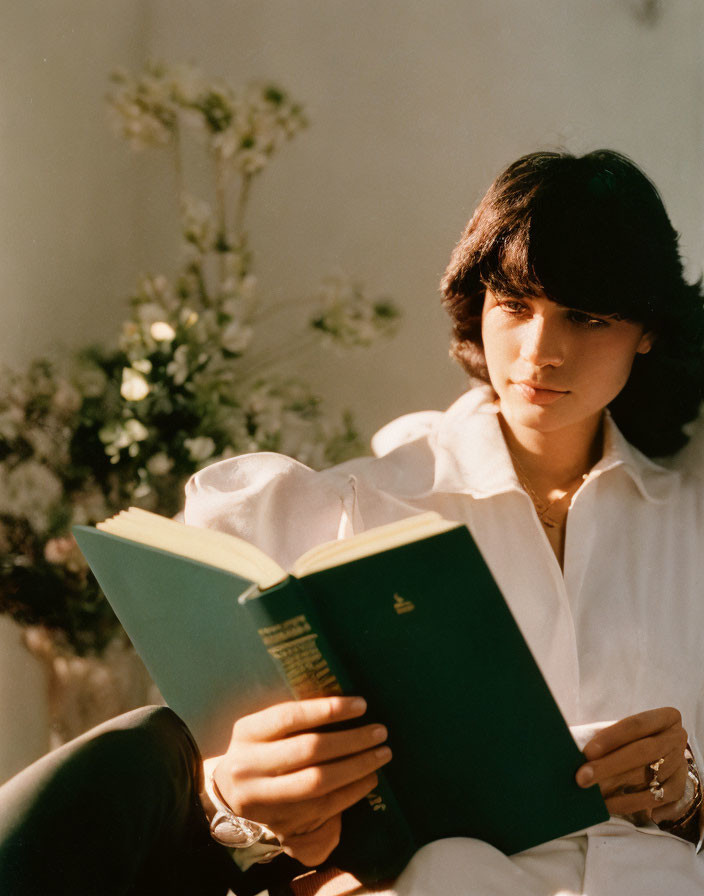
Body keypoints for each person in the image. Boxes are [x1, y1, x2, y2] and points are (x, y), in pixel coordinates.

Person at [1, 149, 703, 895]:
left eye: (586, 318)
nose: (539, 352)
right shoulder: (352, 510)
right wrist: (241, 799)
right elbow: (239, 800)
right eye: (515, 306)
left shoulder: (687, 529)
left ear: (648, 329)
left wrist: (687, 797)